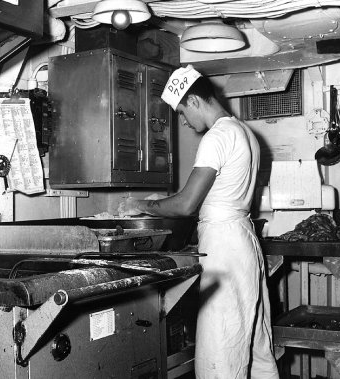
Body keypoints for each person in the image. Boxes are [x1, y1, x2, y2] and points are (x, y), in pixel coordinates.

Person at [118, 65, 279, 379]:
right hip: (243, 242)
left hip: (225, 248)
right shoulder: (245, 132)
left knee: (222, 350)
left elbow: (186, 203)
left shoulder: (217, 136)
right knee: (255, 345)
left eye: (180, 112)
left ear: (193, 100)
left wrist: (140, 205)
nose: (183, 121)